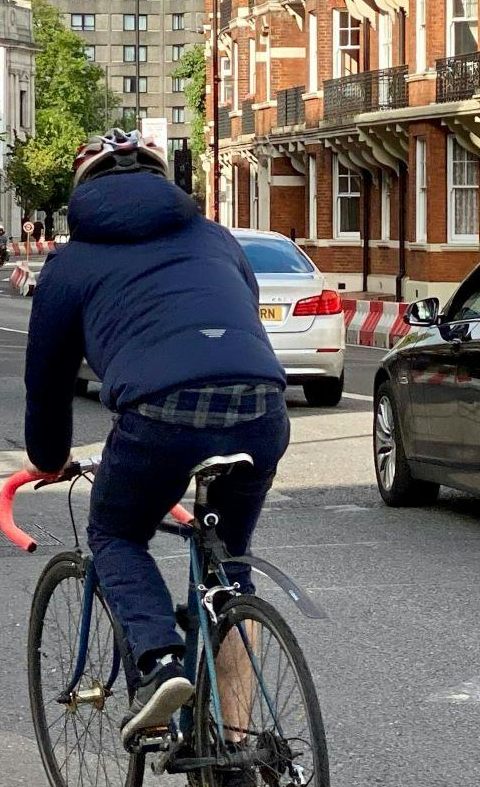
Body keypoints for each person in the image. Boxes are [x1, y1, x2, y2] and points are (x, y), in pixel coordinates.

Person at [22, 130, 287, 745]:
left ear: (82, 194)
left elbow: (47, 380)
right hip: (261, 403)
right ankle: (240, 745)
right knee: (232, 566)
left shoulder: (72, 262)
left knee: (114, 532)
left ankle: (159, 663)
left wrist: (50, 458)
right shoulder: (215, 237)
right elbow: (242, 305)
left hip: (161, 413)